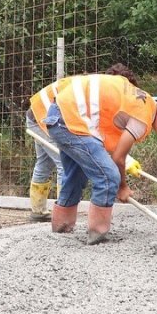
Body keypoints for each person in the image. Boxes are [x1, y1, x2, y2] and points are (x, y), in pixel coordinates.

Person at [40, 72, 157, 244]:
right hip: (70, 119)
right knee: (108, 176)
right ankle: (98, 234)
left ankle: (61, 227)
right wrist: (122, 187)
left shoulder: (139, 101)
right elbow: (119, 159)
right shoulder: (143, 113)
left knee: (77, 174)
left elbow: (116, 151)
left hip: (62, 115)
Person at [25, 64, 139, 221]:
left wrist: (125, 158)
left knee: (44, 163)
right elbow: (90, 134)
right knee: (65, 162)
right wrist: (123, 158)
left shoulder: (94, 86)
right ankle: (65, 211)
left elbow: (94, 134)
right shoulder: (98, 93)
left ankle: (38, 211)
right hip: (46, 115)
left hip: (37, 110)